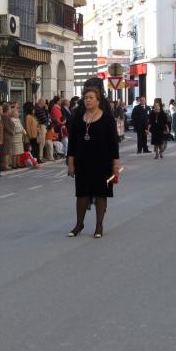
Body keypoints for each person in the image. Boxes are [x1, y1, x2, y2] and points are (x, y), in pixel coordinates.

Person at [67, 78, 120, 238]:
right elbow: (73, 142)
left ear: (98, 100)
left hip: (102, 163)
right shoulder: (78, 117)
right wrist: (71, 163)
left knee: (100, 194)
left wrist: (115, 165)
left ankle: (99, 226)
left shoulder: (107, 118)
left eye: (91, 98)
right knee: (81, 194)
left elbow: (113, 143)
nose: (87, 100)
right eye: (86, 98)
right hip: (82, 162)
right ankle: (79, 224)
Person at [1, 104, 15, 170]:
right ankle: (5, 165)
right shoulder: (4, 116)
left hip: (9, 135)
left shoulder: (7, 116)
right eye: (9, 109)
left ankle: (7, 164)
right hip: (7, 135)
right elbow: (6, 126)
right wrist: (12, 132)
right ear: (7, 110)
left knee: (8, 150)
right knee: (6, 151)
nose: (10, 111)